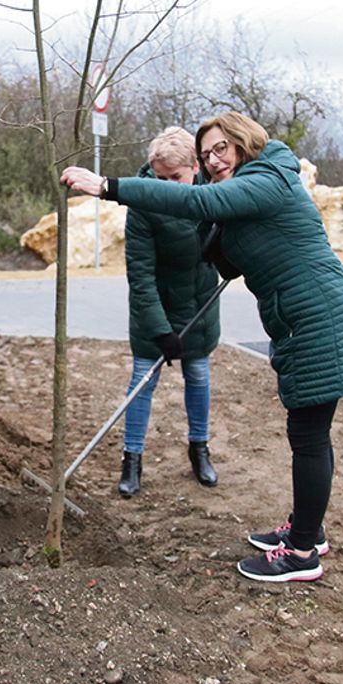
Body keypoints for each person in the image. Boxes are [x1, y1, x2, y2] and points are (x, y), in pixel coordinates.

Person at [61, 111, 343, 583]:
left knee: (308, 436)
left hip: (319, 317)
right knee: (310, 434)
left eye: (221, 147)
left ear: (243, 140)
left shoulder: (268, 174)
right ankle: (308, 530)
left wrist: (109, 187)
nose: (215, 159)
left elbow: (201, 201)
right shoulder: (245, 193)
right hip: (304, 318)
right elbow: (222, 245)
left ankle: (303, 552)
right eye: (206, 155)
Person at [118, 126, 221, 497]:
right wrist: (161, 330)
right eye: (161, 179)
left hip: (199, 307)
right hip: (154, 311)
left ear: (195, 167)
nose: (168, 187)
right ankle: (132, 458)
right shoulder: (145, 205)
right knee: (143, 382)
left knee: (198, 375)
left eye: (176, 178)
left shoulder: (214, 195)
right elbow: (141, 276)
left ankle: (199, 448)